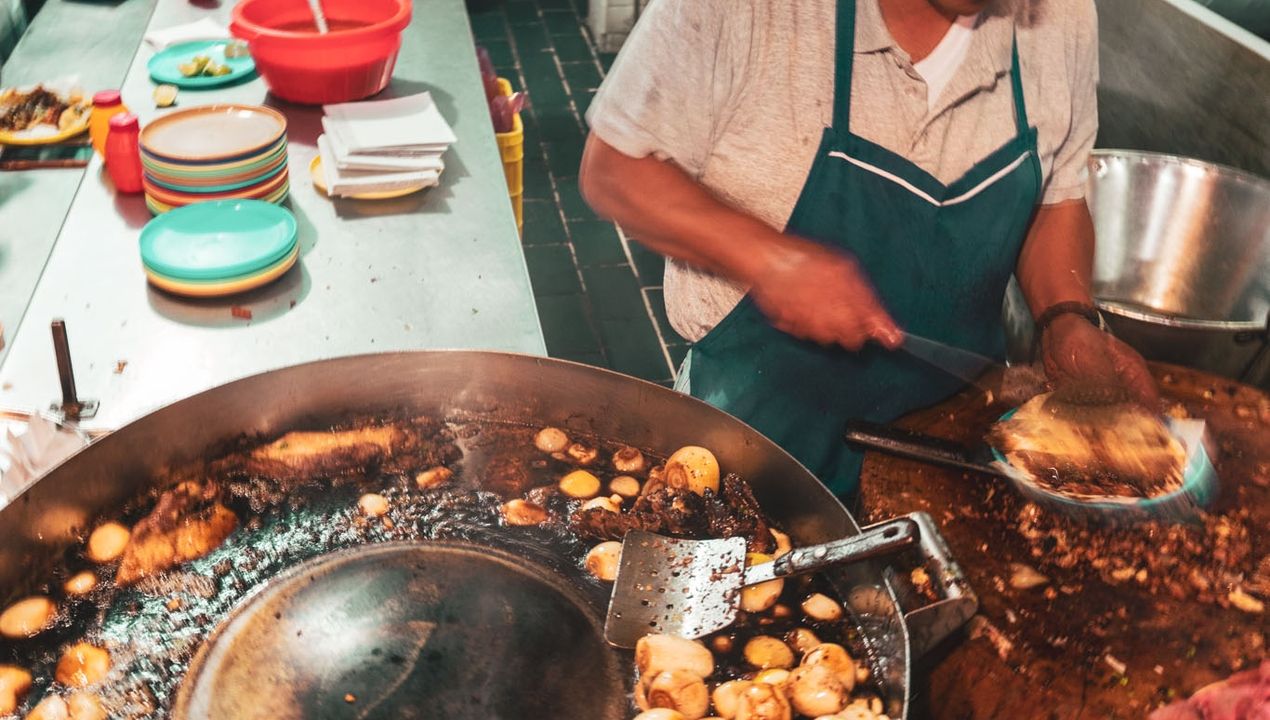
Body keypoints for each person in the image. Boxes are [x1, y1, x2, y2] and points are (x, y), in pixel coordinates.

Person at [579, 0, 1158, 498]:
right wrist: (770, 260)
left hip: (956, 453)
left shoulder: (1061, 15)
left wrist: (1066, 317)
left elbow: (1057, 198)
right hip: (751, 447)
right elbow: (615, 170)